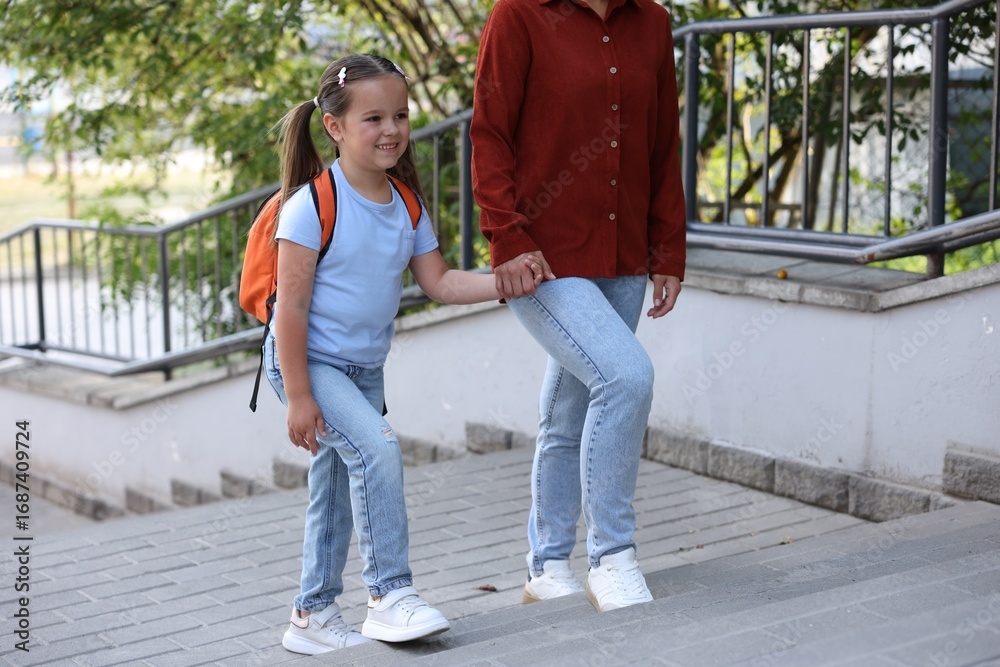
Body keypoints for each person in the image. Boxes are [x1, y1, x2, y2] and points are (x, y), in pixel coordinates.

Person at [264, 53, 544, 655]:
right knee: (378, 449)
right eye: (373, 119)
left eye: (400, 115)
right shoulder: (311, 206)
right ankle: (390, 595)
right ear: (334, 127)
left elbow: (440, 283)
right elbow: (289, 310)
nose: (391, 129)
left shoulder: (406, 204)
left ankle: (312, 615)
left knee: (334, 491)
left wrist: (506, 281)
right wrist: (300, 397)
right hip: (308, 364)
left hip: (362, 370)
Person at [470, 0, 687, 612]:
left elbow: (662, 143)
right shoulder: (519, 14)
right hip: (542, 258)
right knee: (626, 377)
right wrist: (507, 236)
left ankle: (546, 565)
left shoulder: (652, 21)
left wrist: (668, 248)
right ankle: (613, 556)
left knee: (569, 412)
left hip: (624, 252)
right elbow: (489, 133)